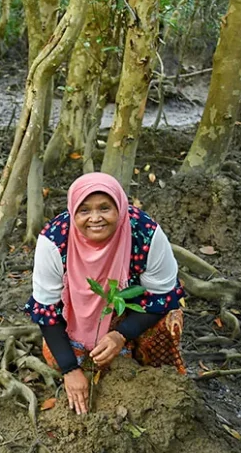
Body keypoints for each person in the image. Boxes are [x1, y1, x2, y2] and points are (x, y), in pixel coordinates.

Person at [24, 172, 186, 415]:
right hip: (77, 318)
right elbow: (47, 311)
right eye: (84, 210)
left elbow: (162, 297)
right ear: (73, 211)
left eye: (104, 208)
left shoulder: (145, 233)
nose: (95, 218)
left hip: (132, 312)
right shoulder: (55, 240)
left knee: (167, 325)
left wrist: (121, 335)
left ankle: (147, 375)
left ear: (119, 207)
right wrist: (70, 370)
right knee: (57, 358)